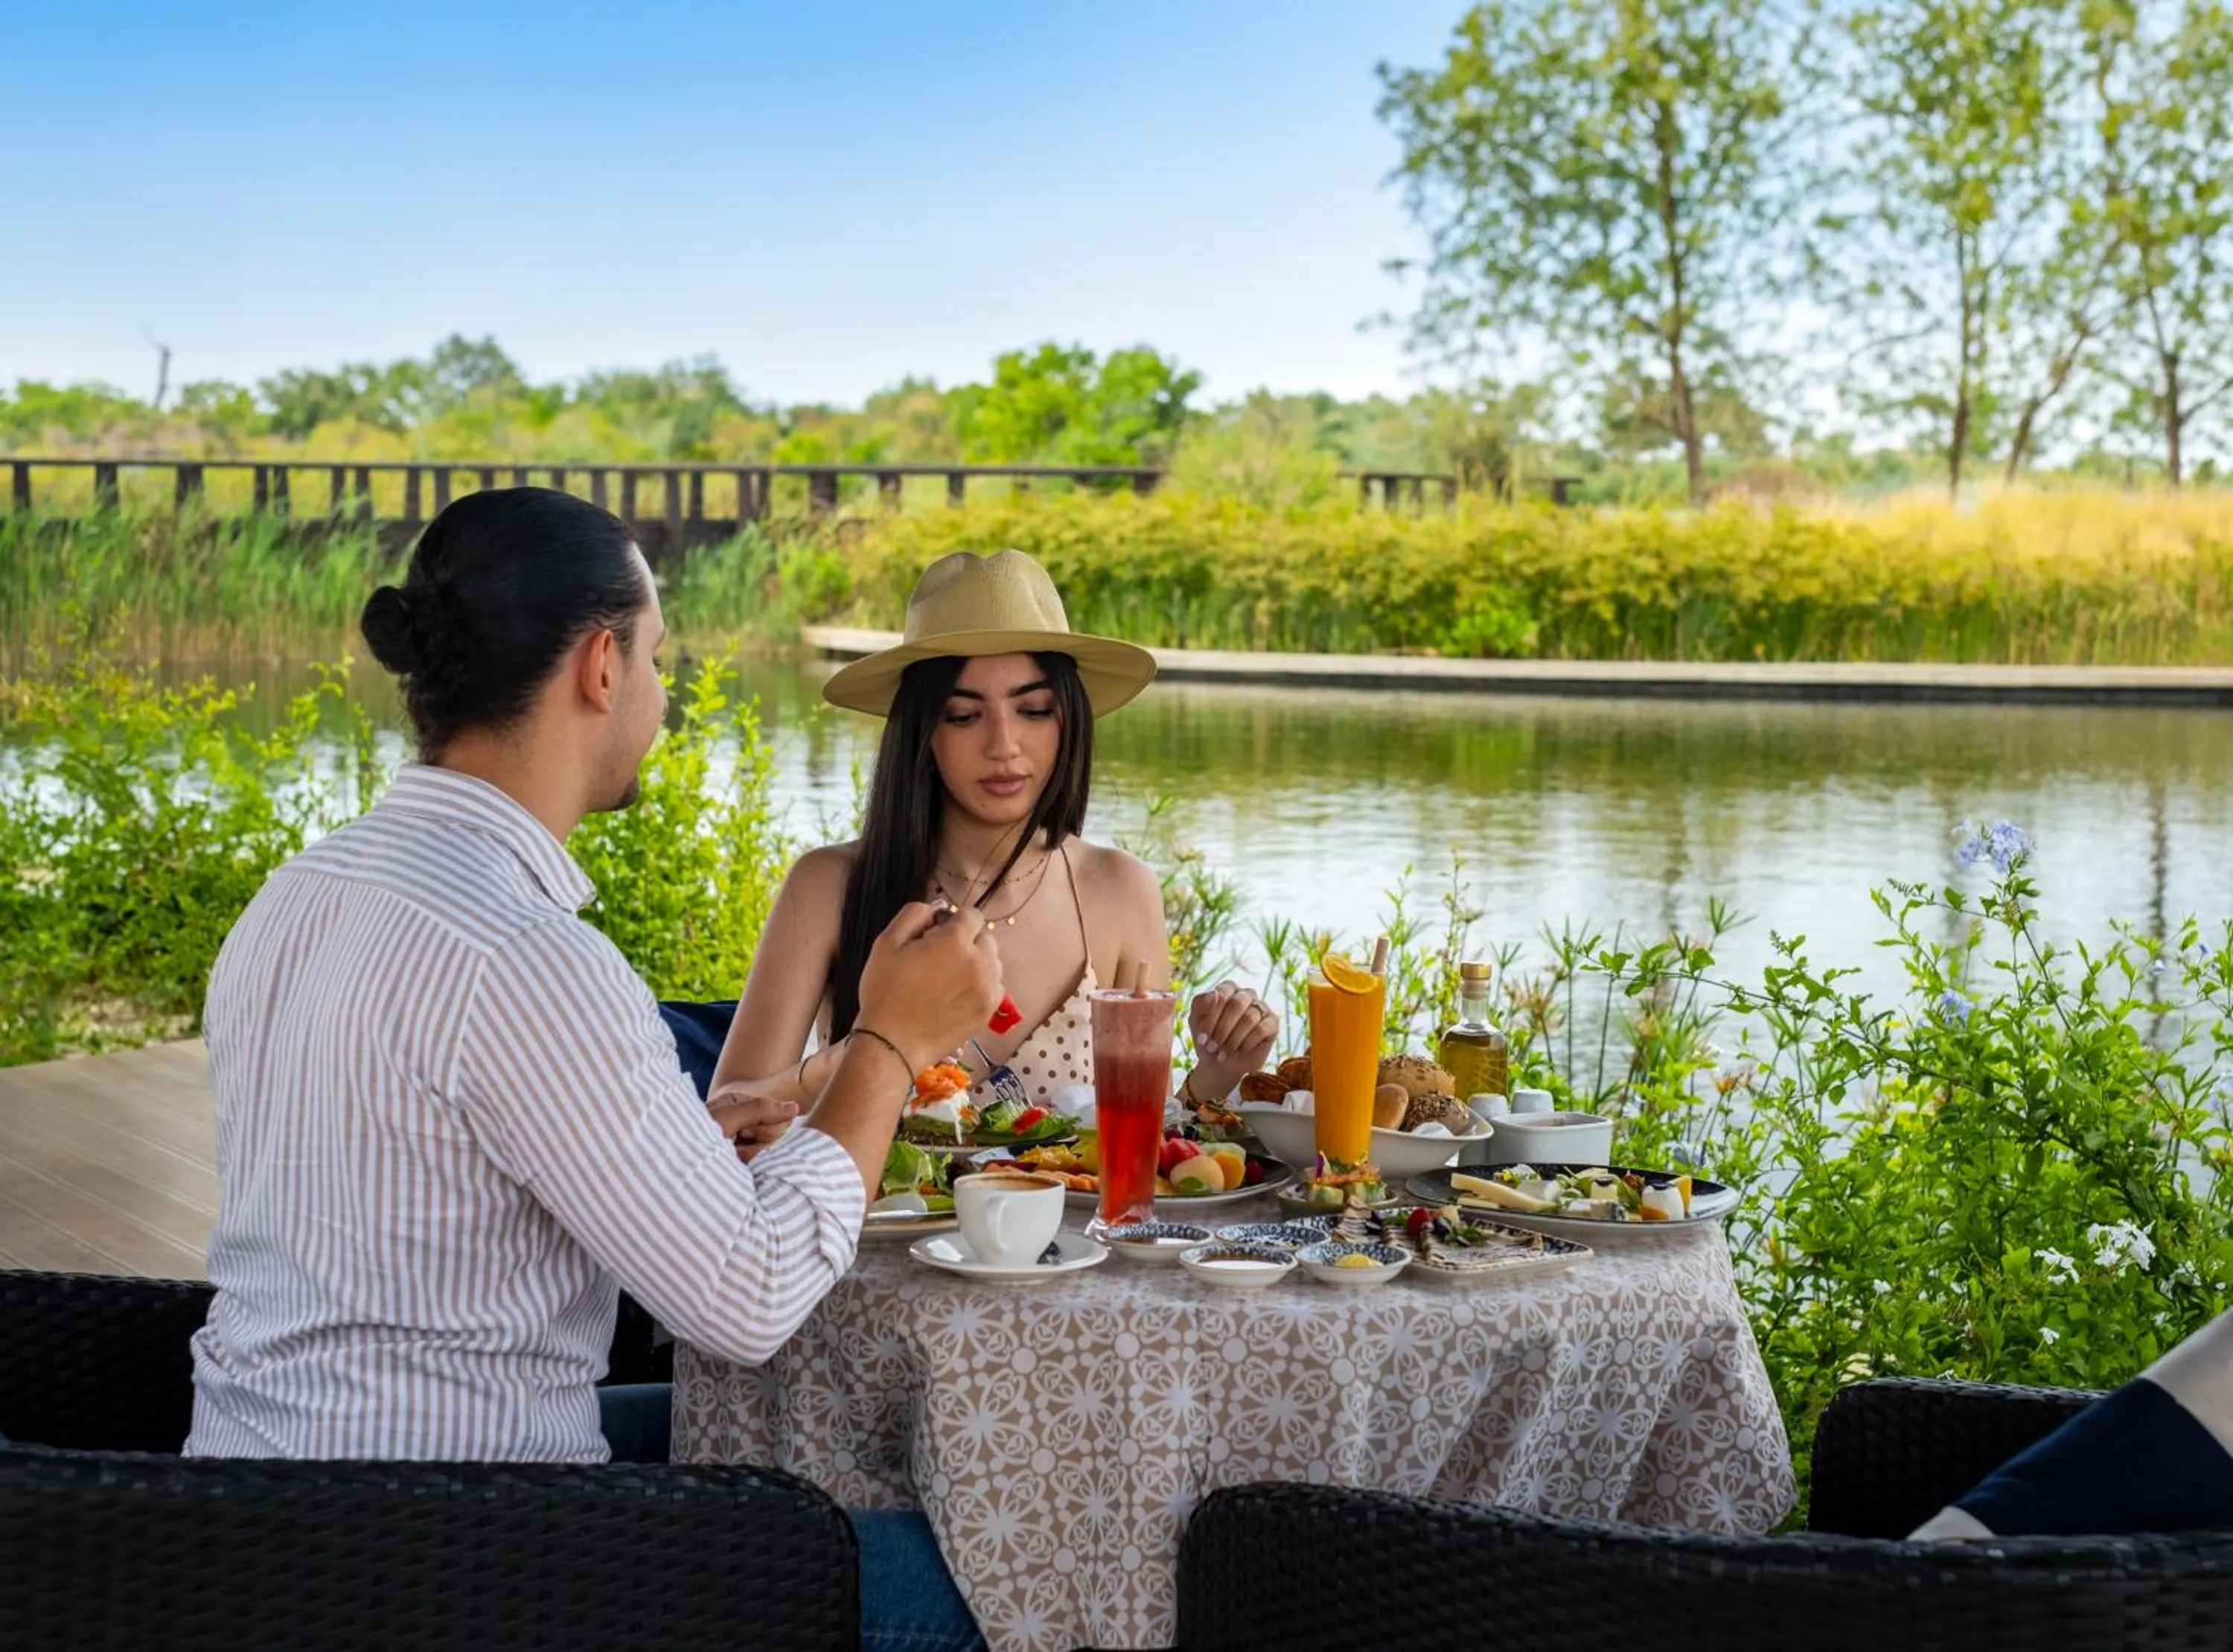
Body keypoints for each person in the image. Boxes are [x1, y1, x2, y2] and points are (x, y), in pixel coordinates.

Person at [184, 487, 995, 1652]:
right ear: (602, 666)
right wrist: (889, 1042)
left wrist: (700, 1133)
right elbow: (748, 1301)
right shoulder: (525, 955)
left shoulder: (297, 895)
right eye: (660, 660)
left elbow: (431, 1182)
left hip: (242, 1506)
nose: (663, 699)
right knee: (989, 1562)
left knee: (795, 1441)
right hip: (461, 1557)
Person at [711, 548, 1278, 1126]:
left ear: (1069, 721)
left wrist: (1217, 1072)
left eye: (1032, 710)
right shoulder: (829, 886)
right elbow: (724, 1115)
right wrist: (864, 1056)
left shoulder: (1120, 891)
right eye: (963, 716)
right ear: (922, 734)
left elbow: (1141, 1137)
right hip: (868, 1218)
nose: (1003, 744)